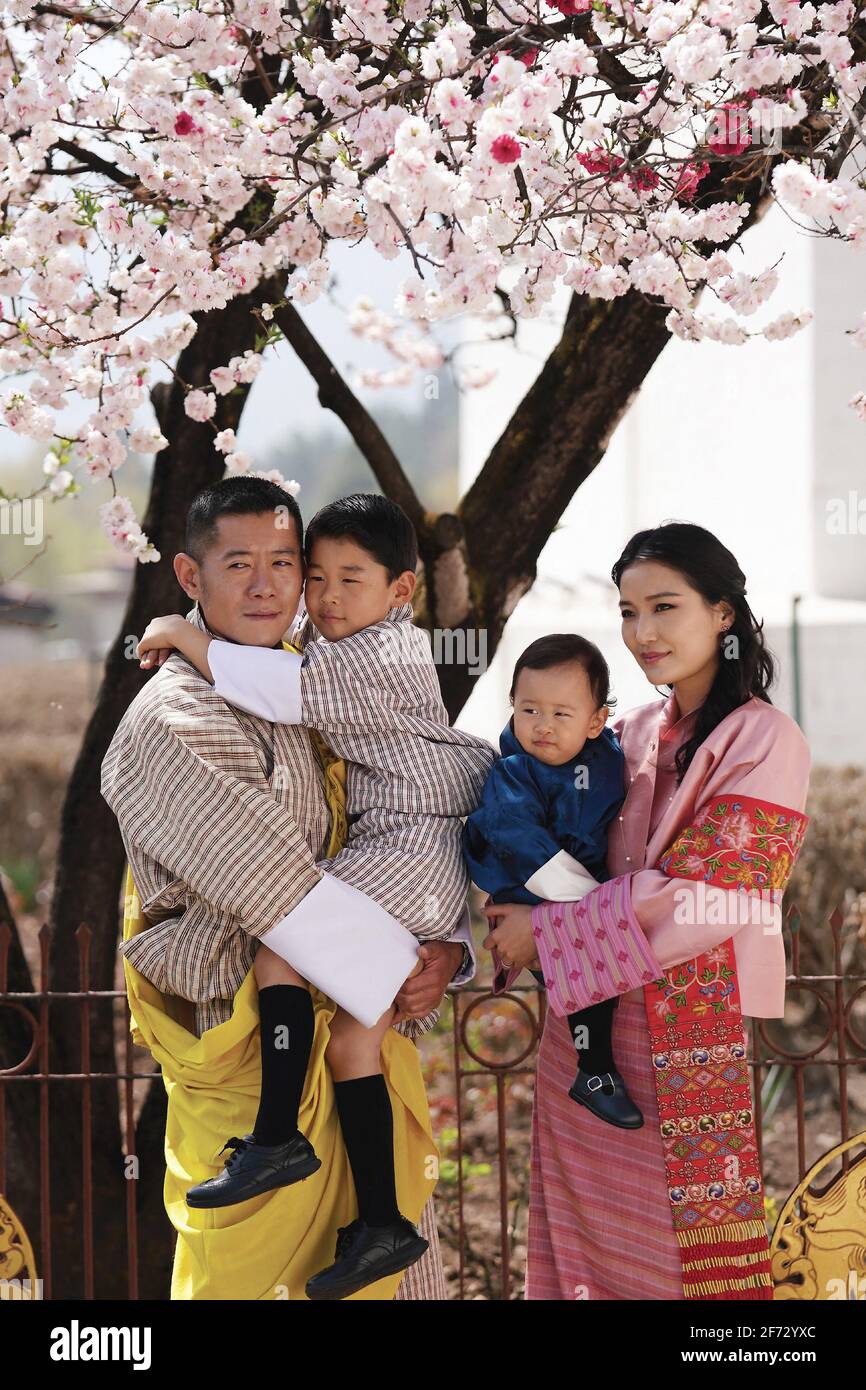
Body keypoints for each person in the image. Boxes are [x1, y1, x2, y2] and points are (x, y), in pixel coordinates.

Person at [101, 475, 476, 1300]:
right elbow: (285, 898)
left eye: (286, 561)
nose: (271, 585)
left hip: (357, 1043)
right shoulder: (176, 719)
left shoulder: (328, 672)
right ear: (191, 578)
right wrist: (401, 963)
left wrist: (447, 948)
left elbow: (423, 801)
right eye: (240, 565)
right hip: (253, 1073)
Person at [482, 522, 811, 1301]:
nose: (642, 632)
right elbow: (525, 802)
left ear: (723, 613)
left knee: (683, 1257)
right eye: (629, 612)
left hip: (689, 1025)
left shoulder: (767, 741)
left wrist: (550, 933)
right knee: (578, 1240)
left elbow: (718, 896)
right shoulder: (620, 734)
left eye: (664, 607)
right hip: (587, 1029)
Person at [463, 632, 644, 1128]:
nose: (542, 726)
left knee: (597, 980)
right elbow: (521, 841)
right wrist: (591, 904)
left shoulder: (608, 754)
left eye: (561, 714)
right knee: (589, 976)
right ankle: (595, 1071)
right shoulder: (517, 774)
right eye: (529, 710)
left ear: (595, 721)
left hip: (582, 887)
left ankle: (595, 1066)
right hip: (532, 887)